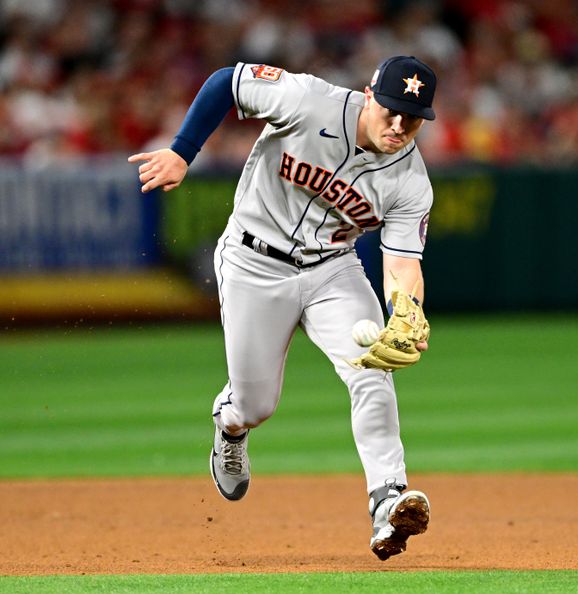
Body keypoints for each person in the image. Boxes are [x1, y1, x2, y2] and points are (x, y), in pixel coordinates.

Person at [128, 55, 437, 561]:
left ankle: (388, 500)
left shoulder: (410, 181)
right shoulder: (307, 100)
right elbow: (226, 82)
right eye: (391, 111)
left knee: (373, 372)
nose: (400, 125)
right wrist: (184, 151)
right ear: (369, 95)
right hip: (253, 261)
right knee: (256, 406)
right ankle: (229, 425)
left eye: (414, 117)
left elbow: (402, 264)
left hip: (332, 270)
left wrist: (407, 313)